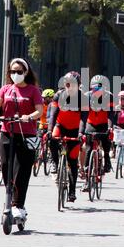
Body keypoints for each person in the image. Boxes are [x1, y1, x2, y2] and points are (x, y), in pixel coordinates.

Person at [0, 58, 43, 221]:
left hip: (26, 134)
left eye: (19, 71)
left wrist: (30, 116)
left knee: (22, 171)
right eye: (13, 71)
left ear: (25, 72)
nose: (15, 74)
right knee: (6, 167)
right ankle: (10, 198)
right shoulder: (5, 89)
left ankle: (18, 205)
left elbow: (39, 111)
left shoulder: (33, 90)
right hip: (7, 132)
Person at [48, 72, 87, 202]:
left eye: (72, 84)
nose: (68, 86)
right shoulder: (58, 96)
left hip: (75, 131)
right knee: (52, 138)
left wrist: (81, 133)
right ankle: (54, 162)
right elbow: (53, 115)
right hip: (61, 126)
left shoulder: (83, 99)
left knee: (73, 161)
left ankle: (72, 191)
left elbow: (83, 118)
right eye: (66, 84)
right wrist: (49, 130)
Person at [81, 74, 114, 183]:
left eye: (99, 88)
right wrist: (81, 130)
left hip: (104, 124)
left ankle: (107, 158)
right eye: (94, 88)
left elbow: (110, 114)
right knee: (89, 148)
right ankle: (87, 173)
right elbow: (84, 115)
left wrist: (109, 127)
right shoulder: (87, 96)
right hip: (90, 124)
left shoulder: (109, 97)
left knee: (106, 142)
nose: (96, 90)